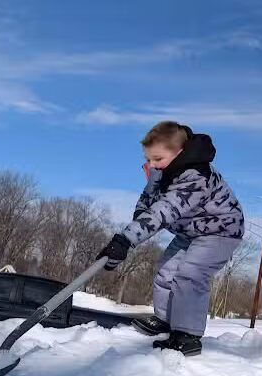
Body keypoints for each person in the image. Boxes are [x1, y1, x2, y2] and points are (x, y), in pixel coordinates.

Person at [96, 121, 244, 356]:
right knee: (166, 271)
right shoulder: (162, 173)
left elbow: (165, 210)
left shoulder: (196, 176)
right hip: (190, 232)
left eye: (157, 159)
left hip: (220, 231)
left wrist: (127, 239)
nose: (151, 165)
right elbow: (147, 205)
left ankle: (187, 334)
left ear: (179, 153)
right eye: (149, 159)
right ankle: (167, 321)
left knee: (190, 274)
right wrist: (127, 238)